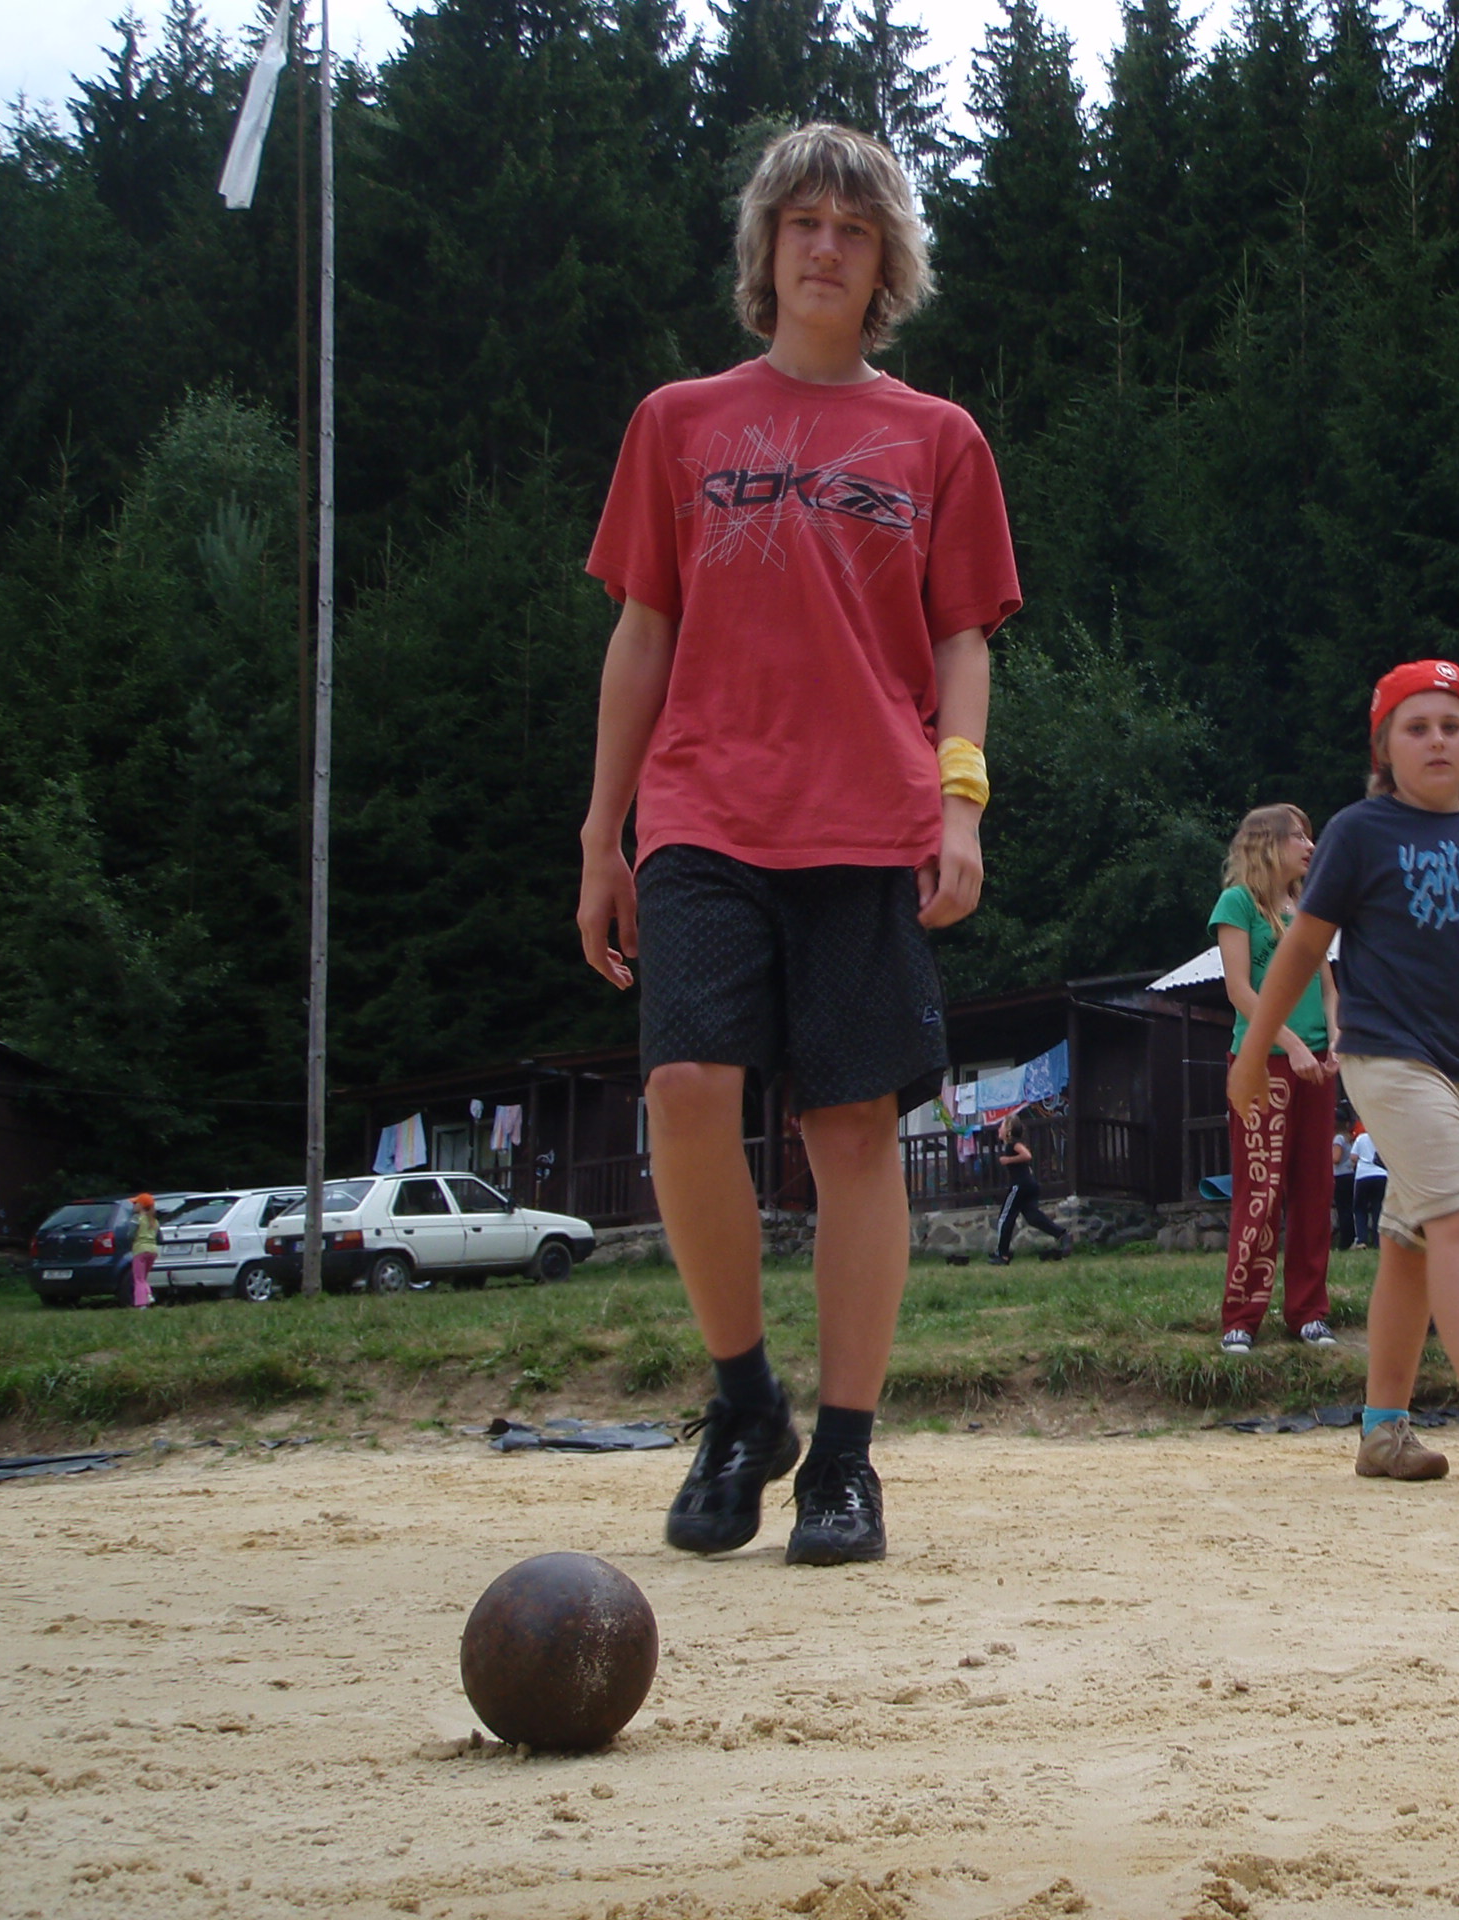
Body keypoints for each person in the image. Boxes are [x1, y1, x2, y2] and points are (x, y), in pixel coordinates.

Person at [576, 123, 1020, 1568]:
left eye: (855, 227)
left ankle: (843, 1455)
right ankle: (741, 1404)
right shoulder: (677, 422)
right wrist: (600, 833)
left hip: (868, 814)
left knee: (850, 1129)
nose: (826, 246)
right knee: (686, 1086)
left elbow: (962, 641)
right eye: (803, 223)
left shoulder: (939, 439)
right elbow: (642, 631)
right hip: (700, 806)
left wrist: (960, 804)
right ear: (765, 248)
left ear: (887, 262)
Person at [1230, 659, 1459, 1486]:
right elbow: (1303, 947)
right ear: (1383, 749)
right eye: (1416, 727)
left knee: (1410, 1242)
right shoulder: (1360, 831)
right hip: (1387, 1054)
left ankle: (1382, 1432)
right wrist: (1254, 1054)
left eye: (1452, 726)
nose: (1437, 740)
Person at [1212, 804, 1341, 1351]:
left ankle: (1309, 1312)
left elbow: (1329, 987)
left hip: (1317, 1065)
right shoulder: (1237, 903)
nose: (1309, 847)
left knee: (1316, 1188)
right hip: (1263, 1063)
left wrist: (1335, 1036)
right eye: (1297, 837)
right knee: (1261, 1190)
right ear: (1267, 843)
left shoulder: (1308, 910)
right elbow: (1239, 990)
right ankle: (1241, 1318)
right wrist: (1290, 1043)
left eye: (1310, 837)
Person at [990, 1106, 1070, 1264]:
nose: (998, 1129)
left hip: (1019, 1186)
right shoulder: (1011, 1145)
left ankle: (1002, 1254)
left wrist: (1008, 1160)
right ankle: (1062, 1234)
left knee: (1005, 1217)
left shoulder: (1013, 1144)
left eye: (1001, 1126)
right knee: (1033, 1217)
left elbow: (1027, 1155)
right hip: (1029, 1185)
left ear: (1008, 1131)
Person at [1350, 1123, 1387, 1248]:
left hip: (1363, 1175)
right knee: (1378, 1208)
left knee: (1360, 1208)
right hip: (1381, 1174)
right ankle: (1378, 1240)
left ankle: (1362, 1239)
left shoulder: (1361, 1138)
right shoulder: (1381, 1138)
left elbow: (1353, 1157)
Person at [128, 1193, 159, 1310]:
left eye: (135, 1203)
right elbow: (160, 1237)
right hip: (153, 1250)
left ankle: (142, 1304)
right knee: (143, 1277)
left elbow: (130, 1235)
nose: (134, 1206)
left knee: (138, 1278)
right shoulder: (154, 1221)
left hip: (140, 1249)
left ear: (141, 1206)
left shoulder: (136, 1219)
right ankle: (148, 1295)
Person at [1332, 1120, 1356, 1251]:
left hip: (1340, 1175)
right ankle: (1352, 1236)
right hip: (1350, 1174)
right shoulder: (1348, 1138)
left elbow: (1336, 1158)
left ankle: (1345, 1241)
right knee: (1349, 1208)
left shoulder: (1338, 1139)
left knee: (1342, 1209)